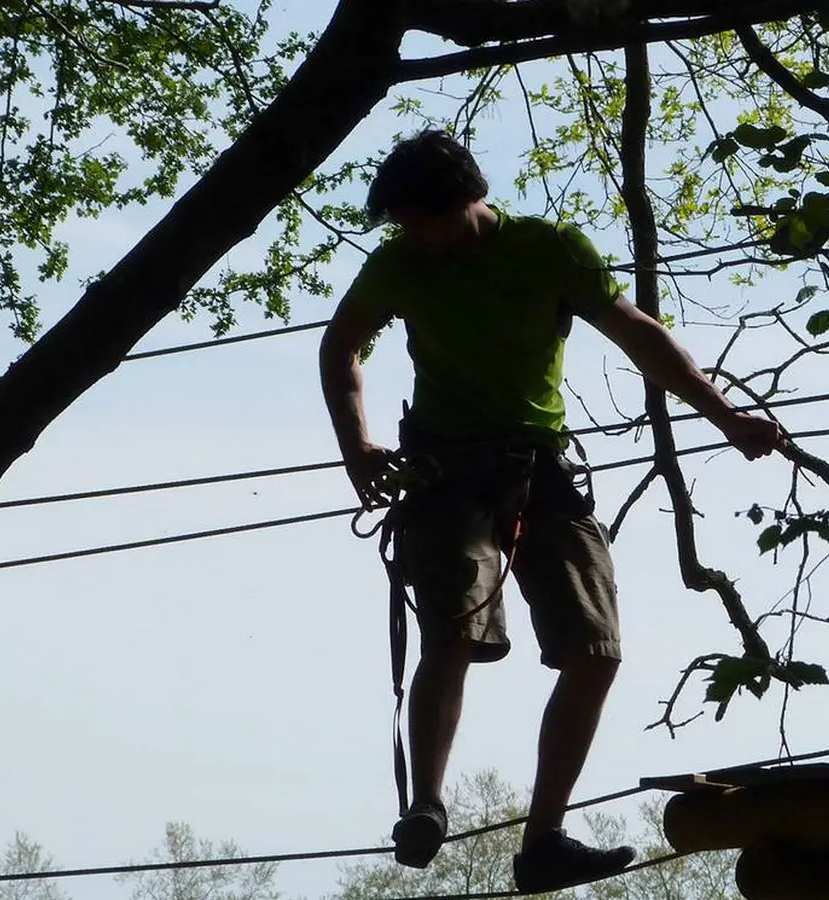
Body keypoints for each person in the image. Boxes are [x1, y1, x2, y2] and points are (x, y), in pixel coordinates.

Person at [318, 131, 786, 892]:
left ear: (464, 203)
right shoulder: (398, 264)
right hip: (443, 470)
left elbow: (639, 335)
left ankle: (543, 842)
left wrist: (726, 417)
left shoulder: (550, 251)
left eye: (420, 220)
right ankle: (428, 805)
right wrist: (357, 449)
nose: (413, 236)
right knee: (452, 628)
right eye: (401, 223)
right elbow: (340, 347)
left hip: (540, 467)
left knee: (595, 651)